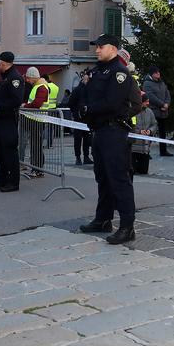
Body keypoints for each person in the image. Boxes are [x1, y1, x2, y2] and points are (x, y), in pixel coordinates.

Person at [78, 33, 142, 243]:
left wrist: (89, 109)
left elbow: (112, 103)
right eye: (96, 47)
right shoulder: (98, 71)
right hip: (99, 131)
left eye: (100, 47)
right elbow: (86, 95)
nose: (96, 50)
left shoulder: (119, 73)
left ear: (113, 49)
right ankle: (103, 219)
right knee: (103, 178)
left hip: (113, 132)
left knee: (119, 179)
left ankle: (127, 226)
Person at [0, 51, 24, 192]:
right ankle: (1, 179)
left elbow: (16, 100)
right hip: (0, 120)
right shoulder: (5, 78)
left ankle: (13, 182)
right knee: (0, 152)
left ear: (4, 63)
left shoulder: (15, 78)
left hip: (8, 120)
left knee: (9, 151)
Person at [23, 67, 54, 176]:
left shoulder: (41, 87)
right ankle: (36, 168)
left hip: (38, 120)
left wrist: (24, 106)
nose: (27, 80)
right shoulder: (38, 86)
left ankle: (37, 169)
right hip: (35, 119)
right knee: (35, 145)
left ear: (33, 77)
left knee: (36, 146)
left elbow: (37, 104)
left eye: (28, 78)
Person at [146, 66, 174, 156]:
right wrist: (162, 104)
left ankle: (163, 150)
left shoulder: (161, 82)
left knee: (163, 132)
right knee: (150, 131)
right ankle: (146, 151)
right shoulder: (147, 83)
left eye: (159, 72)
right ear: (152, 74)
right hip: (153, 111)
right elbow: (150, 96)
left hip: (163, 111)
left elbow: (167, 93)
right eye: (156, 72)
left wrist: (166, 104)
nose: (158, 73)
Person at [67, 67, 93, 165]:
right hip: (78, 118)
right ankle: (78, 157)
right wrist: (76, 112)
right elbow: (70, 103)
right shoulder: (77, 90)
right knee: (78, 139)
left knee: (86, 138)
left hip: (87, 118)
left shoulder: (90, 90)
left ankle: (86, 157)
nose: (88, 81)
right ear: (83, 79)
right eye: (86, 79)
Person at [132, 93, 157, 174]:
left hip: (145, 148)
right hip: (134, 147)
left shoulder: (149, 112)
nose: (148, 103)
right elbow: (130, 126)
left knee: (143, 171)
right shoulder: (133, 112)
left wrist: (150, 131)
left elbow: (154, 124)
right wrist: (139, 131)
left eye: (148, 101)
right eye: (146, 102)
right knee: (132, 171)